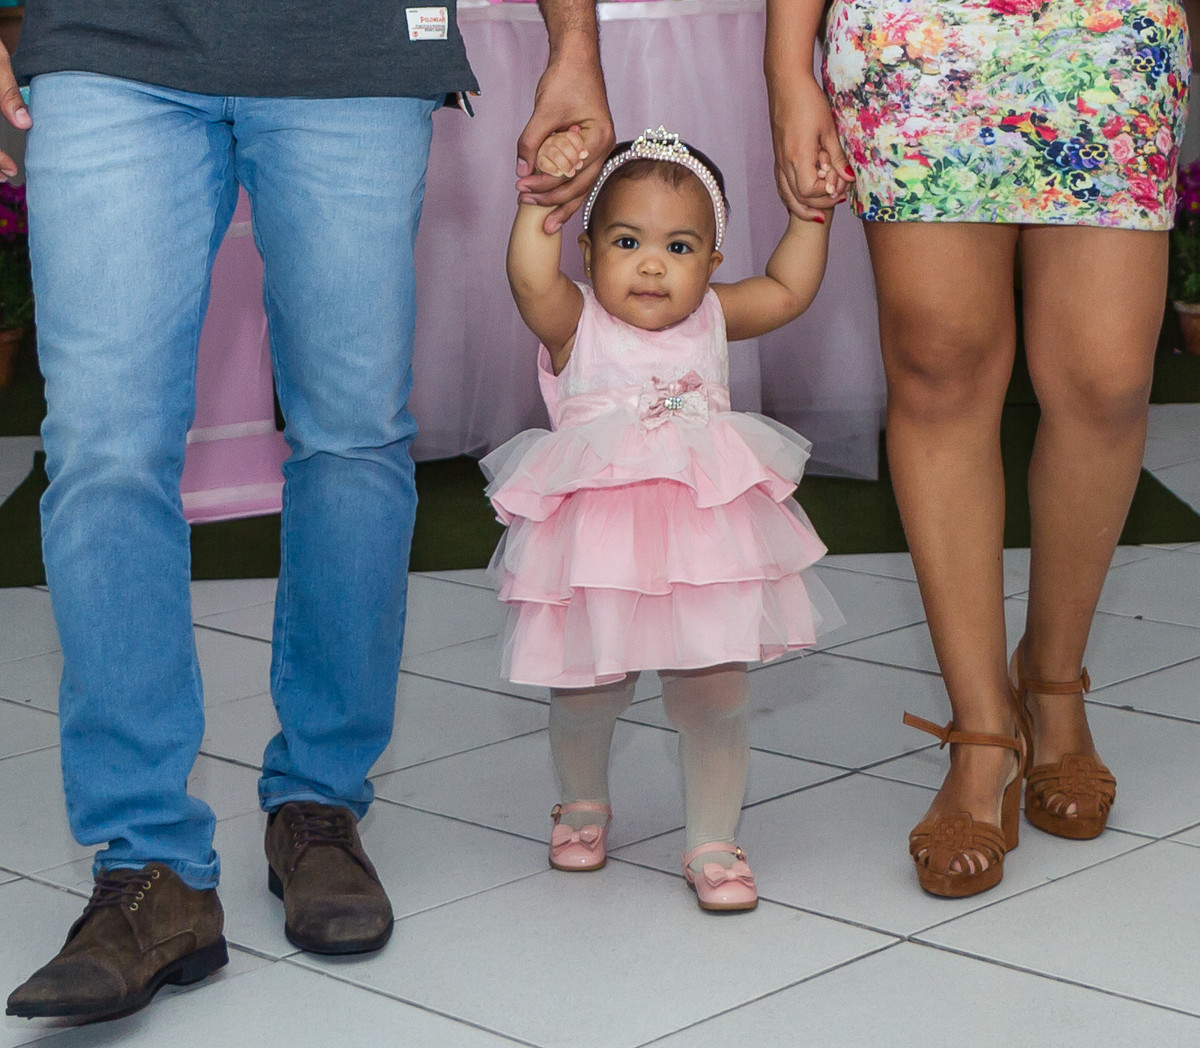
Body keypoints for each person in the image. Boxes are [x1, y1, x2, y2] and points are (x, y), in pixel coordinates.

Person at [4, 0, 613, 1024]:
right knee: (102, 450)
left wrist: (577, 44)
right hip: (109, 36)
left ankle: (318, 804)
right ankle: (148, 865)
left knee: (352, 436)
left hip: (352, 41)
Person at [764, 0, 1189, 896]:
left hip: (1108, 27)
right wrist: (787, 62)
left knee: (1108, 379)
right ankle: (983, 726)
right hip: (917, 34)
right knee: (937, 367)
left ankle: (1051, 677)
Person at [484, 126, 841, 912]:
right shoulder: (573, 321)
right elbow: (525, 277)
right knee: (587, 688)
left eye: (680, 247)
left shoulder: (714, 315)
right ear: (586, 253)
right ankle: (581, 805)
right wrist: (538, 201)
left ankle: (713, 839)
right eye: (626, 241)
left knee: (714, 692)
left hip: (701, 545)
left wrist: (810, 217)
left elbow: (786, 289)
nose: (652, 263)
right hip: (598, 550)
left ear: (712, 265)